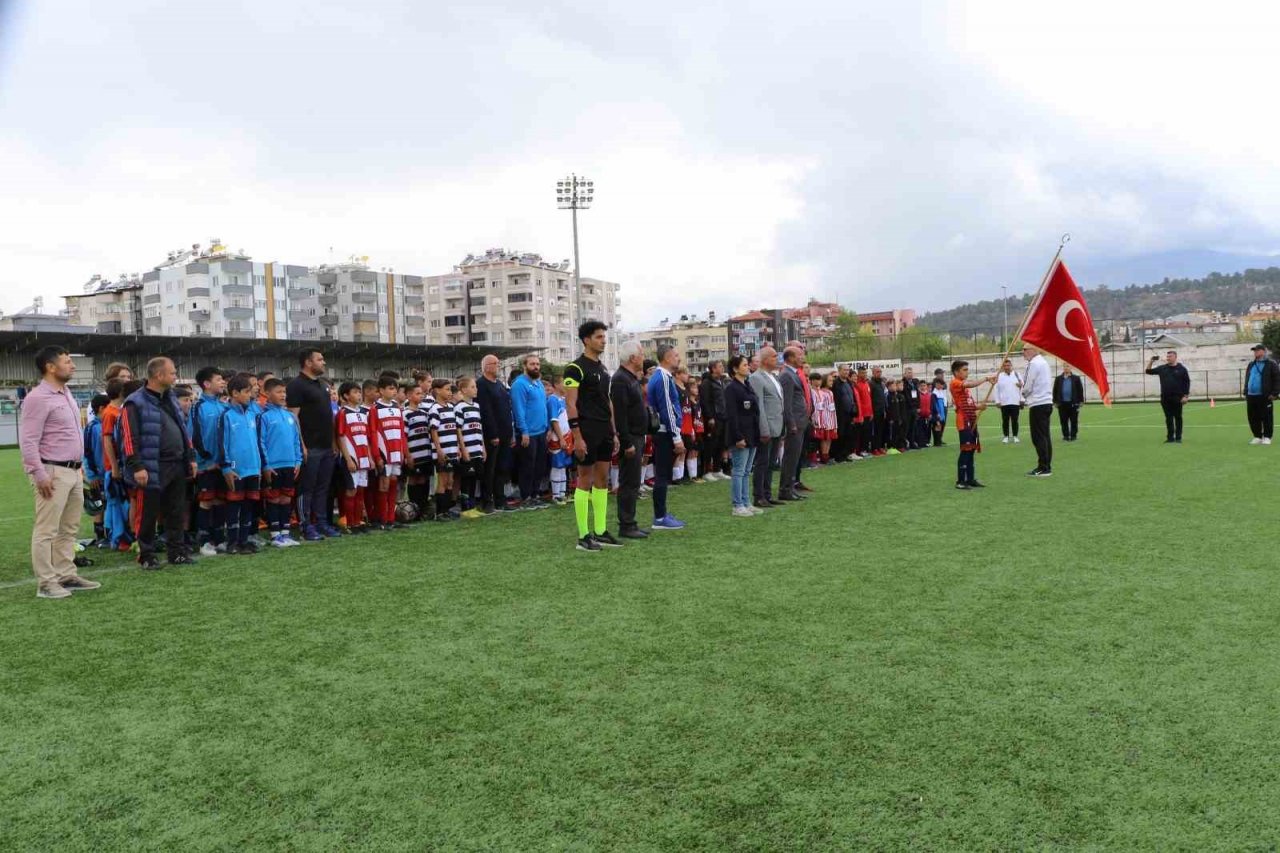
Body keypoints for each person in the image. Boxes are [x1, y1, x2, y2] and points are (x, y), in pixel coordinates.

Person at [20, 347, 102, 598]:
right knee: (46, 530)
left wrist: (80, 468)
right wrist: (39, 474)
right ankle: (46, 583)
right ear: (50, 367)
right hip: (52, 471)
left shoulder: (66, 393)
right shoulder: (37, 398)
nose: (72, 366)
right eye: (67, 362)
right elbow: (28, 440)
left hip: (73, 471)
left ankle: (66, 575)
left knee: (69, 528)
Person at [120, 357, 197, 568]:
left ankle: (177, 552)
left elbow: (183, 429)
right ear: (158, 375)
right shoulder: (135, 402)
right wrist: (137, 466)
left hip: (176, 463)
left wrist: (190, 457)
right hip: (152, 466)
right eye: (172, 373)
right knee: (148, 513)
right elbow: (129, 437)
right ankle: (146, 555)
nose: (175, 377)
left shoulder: (170, 397)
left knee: (176, 511)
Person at [565, 320, 623, 549]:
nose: (603, 341)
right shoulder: (575, 368)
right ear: (586, 340)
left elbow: (607, 401)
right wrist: (577, 436)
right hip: (586, 429)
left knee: (602, 480)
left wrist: (614, 432)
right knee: (584, 480)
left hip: (604, 430)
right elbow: (570, 403)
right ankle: (583, 536)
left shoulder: (603, 369)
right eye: (599, 337)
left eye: (604, 337)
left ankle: (600, 531)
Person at [288, 348, 342, 541]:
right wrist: (301, 446)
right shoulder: (296, 385)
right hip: (310, 446)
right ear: (308, 362)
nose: (323, 362)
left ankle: (322, 523)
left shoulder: (323, 385)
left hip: (326, 446)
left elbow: (329, 417)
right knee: (306, 488)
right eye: (320, 359)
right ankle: (305, 526)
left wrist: (333, 442)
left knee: (323, 488)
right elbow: (293, 418)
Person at [218, 374, 264, 555]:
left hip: (253, 468)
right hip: (236, 469)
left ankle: (244, 541)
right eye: (246, 392)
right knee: (234, 506)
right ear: (235, 393)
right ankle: (232, 542)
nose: (249, 395)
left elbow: (258, 442)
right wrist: (226, 467)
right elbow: (222, 443)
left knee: (248, 505)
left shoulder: (252, 415)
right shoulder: (226, 416)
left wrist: (260, 466)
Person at [257, 377, 304, 547]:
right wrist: (266, 465)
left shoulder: (289, 416)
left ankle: (285, 533)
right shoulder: (264, 417)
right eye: (278, 392)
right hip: (273, 466)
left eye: (284, 392)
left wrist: (298, 460)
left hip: (290, 464)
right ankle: (275, 535)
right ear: (267, 393)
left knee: (286, 499)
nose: (283, 395)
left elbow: (296, 440)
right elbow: (261, 442)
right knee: (274, 499)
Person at [610, 340, 650, 539]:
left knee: (633, 481)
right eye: (641, 354)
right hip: (631, 437)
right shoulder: (620, 380)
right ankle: (626, 525)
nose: (643, 357)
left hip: (637, 435)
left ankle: (630, 522)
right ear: (633, 358)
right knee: (628, 482)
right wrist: (626, 442)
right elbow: (620, 414)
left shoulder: (630, 378)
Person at [646, 343, 688, 531]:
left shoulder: (662, 376)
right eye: (676, 355)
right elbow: (667, 409)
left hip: (663, 431)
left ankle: (662, 514)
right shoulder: (662, 377)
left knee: (663, 474)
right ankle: (660, 518)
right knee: (662, 475)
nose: (679, 358)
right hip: (664, 432)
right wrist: (676, 436)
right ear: (667, 358)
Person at [190, 366, 229, 555]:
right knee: (206, 501)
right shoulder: (198, 407)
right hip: (206, 464)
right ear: (206, 384)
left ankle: (219, 539)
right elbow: (194, 436)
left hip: (222, 464)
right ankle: (204, 541)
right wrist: (205, 458)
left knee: (220, 500)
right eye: (219, 379)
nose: (223, 382)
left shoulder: (223, 406)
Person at [723, 355, 762, 517]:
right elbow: (732, 415)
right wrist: (738, 437)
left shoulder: (747, 385)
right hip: (740, 435)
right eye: (744, 365)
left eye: (747, 364)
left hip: (752, 433)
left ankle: (746, 502)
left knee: (746, 471)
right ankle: (737, 505)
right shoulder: (731, 388)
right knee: (739, 471)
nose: (748, 367)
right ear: (735, 369)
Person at [367, 375, 408, 530]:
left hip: (396, 452)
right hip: (384, 453)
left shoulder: (397, 408)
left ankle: (391, 518)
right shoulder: (375, 409)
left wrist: (403, 451)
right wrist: (377, 455)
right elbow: (372, 433)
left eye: (395, 388)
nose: (394, 391)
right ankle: (382, 519)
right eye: (390, 388)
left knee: (393, 484)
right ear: (381, 390)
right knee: (383, 485)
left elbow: (401, 431)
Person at [476, 354, 515, 513]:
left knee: (502, 468)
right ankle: (487, 500)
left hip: (505, 432)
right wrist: (492, 434)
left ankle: (500, 499)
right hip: (492, 434)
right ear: (486, 367)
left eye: (499, 363)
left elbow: (507, 409)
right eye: (495, 363)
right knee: (490, 469)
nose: (498, 366)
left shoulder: (499, 384)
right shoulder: (481, 385)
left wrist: (511, 433)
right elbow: (486, 411)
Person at [511, 355, 551, 510]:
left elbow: (543, 407)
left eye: (538, 364)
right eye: (532, 364)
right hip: (528, 434)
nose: (536, 367)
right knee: (527, 466)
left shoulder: (539, 383)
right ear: (525, 366)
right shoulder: (519, 384)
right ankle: (526, 497)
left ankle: (535, 495)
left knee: (539, 466)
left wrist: (547, 428)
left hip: (541, 432)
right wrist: (524, 431)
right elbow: (518, 410)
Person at [748, 346, 785, 509]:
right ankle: (759, 496)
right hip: (767, 427)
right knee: (762, 462)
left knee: (771, 463)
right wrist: (764, 429)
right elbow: (760, 406)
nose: (777, 358)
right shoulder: (756, 378)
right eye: (774, 356)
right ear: (765, 359)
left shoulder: (773, 377)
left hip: (777, 425)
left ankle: (767, 494)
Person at [950, 360, 995, 490]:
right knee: (966, 450)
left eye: (967, 370)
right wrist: (986, 378)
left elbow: (970, 404)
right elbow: (970, 384)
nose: (967, 372)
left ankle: (970, 479)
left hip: (972, 420)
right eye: (964, 370)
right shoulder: (955, 383)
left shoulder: (965, 390)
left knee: (971, 450)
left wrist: (979, 407)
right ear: (956, 372)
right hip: (963, 421)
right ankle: (960, 481)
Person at [777, 346, 811, 500]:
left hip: (800, 422)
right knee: (790, 458)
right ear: (790, 358)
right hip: (795, 424)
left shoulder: (793, 374)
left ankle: (790, 488)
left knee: (794, 458)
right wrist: (791, 424)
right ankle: (785, 490)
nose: (802, 357)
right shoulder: (786, 375)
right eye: (799, 355)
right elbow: (787, 403)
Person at [429, 379, 463, 522]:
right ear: (437, 391)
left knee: (450, 480)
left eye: (450, 390)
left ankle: (447, 509)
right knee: (442, 481)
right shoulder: (434, 409)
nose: (450, 392)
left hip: (452, 450)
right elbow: (433, 431)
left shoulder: (450, 407)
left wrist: (458, 447)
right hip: (443, 451)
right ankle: (440, 512)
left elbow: (454, 430)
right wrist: (439, 450)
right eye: (447, 389)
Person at [402, 382, 435, 519]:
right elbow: (403, 436)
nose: (421, 396)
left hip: (425, 454)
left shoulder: (425, 413)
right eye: (417, 393)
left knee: (424, 479)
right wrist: (407, 455)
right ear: (409, 396)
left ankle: (423, 508)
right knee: (414, 479)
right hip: (414, 454)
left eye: (421, 393)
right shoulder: (405, 414)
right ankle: (414, 509)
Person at [455, 376, 486, 517]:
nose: (476, 389)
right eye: (472, 387)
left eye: (475, 387)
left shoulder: (477, 406)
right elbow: (458, 429)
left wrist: (483, 447)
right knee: (466, 479)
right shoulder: (459, 407)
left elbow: (479, 428)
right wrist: (463, 449)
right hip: (467, 450)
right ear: (463, 390)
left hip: (477, 449)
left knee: (474, 478)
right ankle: (465, 508)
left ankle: (472, 507)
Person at [1021, 344, 1054, 476]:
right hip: (1046, 402)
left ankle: (1043, 467)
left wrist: (1022, 394)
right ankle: (1046, 465)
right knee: (1045, 436)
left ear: (1033, 350)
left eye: (1025, 349)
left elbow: (1027, 385)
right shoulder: (1044, 362)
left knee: (1038, 437)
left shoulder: (1033, 364)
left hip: (1038, 403)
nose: (1023, 352)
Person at [1146, 350, 1191, 443]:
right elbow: (1148, 371)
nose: (1168, 358)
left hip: (1178, 398)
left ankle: (1178, 438)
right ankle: (1170, 438)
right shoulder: (1162, 368)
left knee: (1178, 417)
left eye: (1170, 356)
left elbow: (1187, 383)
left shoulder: (1182, 369)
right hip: (1165, 398)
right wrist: (1151, 361)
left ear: (1175, 357)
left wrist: (1185, 396)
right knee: (1168, 418)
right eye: (1167, 356)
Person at [1242, 344, 1280, 445]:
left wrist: (1275, 393)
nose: (1255, 352)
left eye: (1257, 350)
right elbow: (1248, 378)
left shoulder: (1271, 364)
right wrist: (1245, 391)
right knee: (1253, 417)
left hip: (1265, 395)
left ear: (1263, 351)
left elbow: (1277, 379)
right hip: (1251, 395)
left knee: (1267, 417)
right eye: (1254, 351)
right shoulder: (1251, 364)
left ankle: (1267, 437)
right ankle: (1257, 436)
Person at [699, 361, 729, 480]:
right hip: (713, 419)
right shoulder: (707, 383)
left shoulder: (721, 381)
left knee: (720, 444)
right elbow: (705, 401)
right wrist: (710, 417)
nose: (722, 368)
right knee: (710, 444)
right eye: (720, 366)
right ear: (713, 368)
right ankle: (706, 471)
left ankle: (717, 469)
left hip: (723, 417)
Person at [994, 359, 1023, 444]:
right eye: (1005, 366)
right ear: (1003, 367)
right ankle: (1006, 436)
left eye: (1008, 365)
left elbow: (1023, 387)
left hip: (1015, 401)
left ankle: (1015, 436)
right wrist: (997, 401)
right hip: (1004, 402)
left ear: (1011, 366)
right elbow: (996, 389)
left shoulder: (1017, 375)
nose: (1007, 367)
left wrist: (1022, 399)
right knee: (1005, 420)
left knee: (1015, 420)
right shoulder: (999, 376)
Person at [1052, 366, 1084, 441]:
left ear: (1071, 368)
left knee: (1074, 420)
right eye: (1065, 366)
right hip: (1062, 403)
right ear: (1063, 368)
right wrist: (1055, 401)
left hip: (1073, 403)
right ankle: (1065, 436)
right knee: (1063, 421)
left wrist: (1081, 401)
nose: (1066, 368)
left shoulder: (1076, 378)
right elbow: (1055, 390)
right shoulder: (1058, 378)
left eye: (1068, 366)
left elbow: (1080, 390)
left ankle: (1073, 436)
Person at [811, 372, 837, 463]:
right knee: (824, 438)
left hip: (831, 418)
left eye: (832, 381)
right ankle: (823, 456)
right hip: (824, 419)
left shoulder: (830, 392)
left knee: (829, 438)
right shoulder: (822, 393)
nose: (832, 382)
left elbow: (832, 407)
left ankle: (826, 454)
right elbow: (822, 407)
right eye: (830, 380)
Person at [931, 378, 948, 446]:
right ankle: (936, 442)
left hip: (942, 411)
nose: (942, 386)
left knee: (941, 425)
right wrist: (937, 412)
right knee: (937, 426)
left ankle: (939, 440)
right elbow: (934, 404)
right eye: (941, 384)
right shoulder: (934, 393)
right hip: (937, 412)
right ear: (937, 384)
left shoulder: (941, 391)